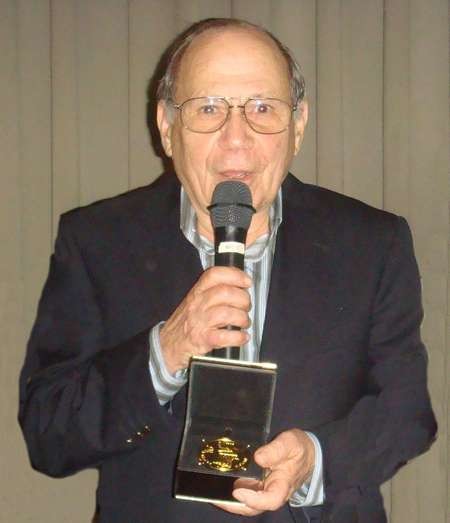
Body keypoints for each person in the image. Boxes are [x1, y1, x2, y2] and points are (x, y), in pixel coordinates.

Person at [19, 18, 436, 523]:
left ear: (298, 125)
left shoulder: (374, 242)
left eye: (263, 108)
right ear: (167, 127)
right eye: (209, 109)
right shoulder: (96, 241)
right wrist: (164, 351)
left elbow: (406, 411)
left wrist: (314, 458)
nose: (236, 139)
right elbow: (48, 433)